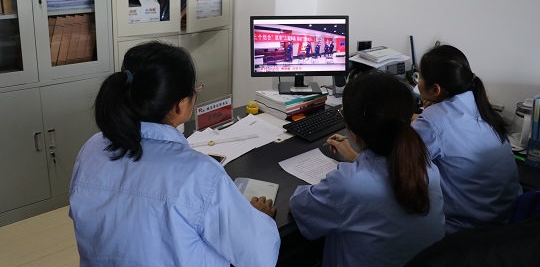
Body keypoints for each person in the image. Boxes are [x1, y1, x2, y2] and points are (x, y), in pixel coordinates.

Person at [69, 41, 280, 266]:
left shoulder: (92, 148)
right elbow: (261, 256)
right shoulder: (200, 174)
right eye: (195, 89)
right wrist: (256, 218)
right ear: (180, 106)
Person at [289, 72, 445, 267]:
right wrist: (356, 158)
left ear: (353, 134)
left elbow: (299, 206)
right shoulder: (427, 167)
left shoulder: (347, 184)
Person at [411, 43, 522, 234]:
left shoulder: (432, 122)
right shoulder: (480, 105)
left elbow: (396, 163)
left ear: (436, 90)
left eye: (420, 77)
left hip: (467, 232)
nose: (417, 82)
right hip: (508, 221)